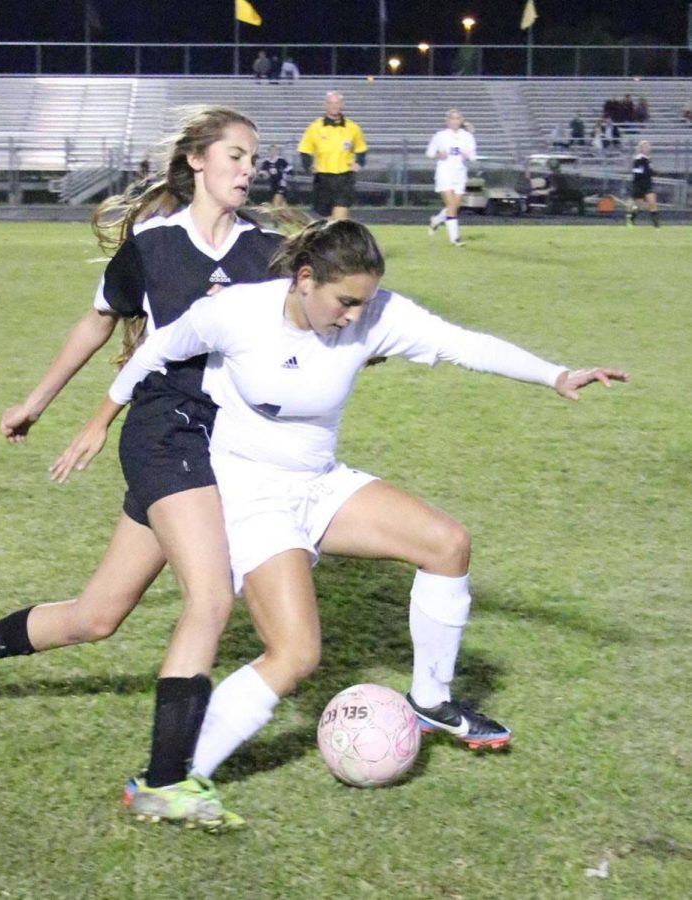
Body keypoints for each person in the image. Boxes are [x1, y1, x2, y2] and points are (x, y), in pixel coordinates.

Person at [59, 219, 627, 824]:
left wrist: (555, 374)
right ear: (305, 280)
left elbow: (466, 345)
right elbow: (155, 349)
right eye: (345, 301)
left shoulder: (378, 313)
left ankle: (431, 701)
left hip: (320, 482)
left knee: (447, 544)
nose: (356, 316)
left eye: (365, 301)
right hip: (251, 492)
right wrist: (98, 422)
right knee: (296, 652)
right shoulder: (238, 312)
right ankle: (175, 773)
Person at [0, 106, 286, 832]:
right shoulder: (154, 244)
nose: (246, 170)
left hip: (225, 443)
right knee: (210, 600)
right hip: (164, 432)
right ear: (197, 160)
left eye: (253, 160)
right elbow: (100, 318)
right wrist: (36, 402)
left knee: (94, 617)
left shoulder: (267, 251)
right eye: (234, 155)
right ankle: (162, 783)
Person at [297, 91, 368, 220]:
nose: (334, 106)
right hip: (323, 177)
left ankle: (340, 237)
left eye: (337, 103)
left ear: (342, 105)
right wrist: (308, 166)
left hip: (344, 177)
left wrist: (359, 163)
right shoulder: (314, 127)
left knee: (339, 217)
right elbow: (305, 150)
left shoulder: (353, 127)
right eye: (330, 103)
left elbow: (361, 149)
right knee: (325, 219)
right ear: (325, 105)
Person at [426, 108, 476, 247]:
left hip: (460, 174)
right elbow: (429, 153)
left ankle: (435, 221)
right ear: (447, 121)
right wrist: (438, 155)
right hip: (444, 173)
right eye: (452, 118)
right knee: (451, 207)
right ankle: (455, 239)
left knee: (454, 206)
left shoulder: (467, 136)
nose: (455, 121)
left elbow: (472, 155)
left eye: (457, 118)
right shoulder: (440, 136)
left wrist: (468, 156)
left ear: (461, 120)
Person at [626, 140, 659, 229]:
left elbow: (649, 171)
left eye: (648, 147)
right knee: (639, 207)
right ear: (641, 148)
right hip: (639, 184)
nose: (647, 148)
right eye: (645, 147)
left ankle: (656, 225)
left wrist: (653, 172)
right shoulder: (638, 159)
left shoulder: (648, 159)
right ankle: (631, 218)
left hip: (648, 184)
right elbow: (637, 172)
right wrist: (647, 172)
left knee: (652, 203)